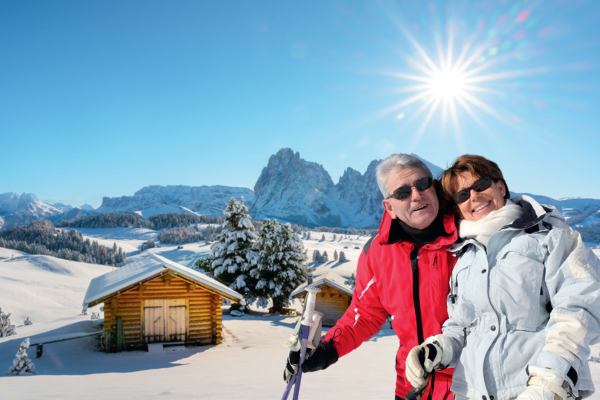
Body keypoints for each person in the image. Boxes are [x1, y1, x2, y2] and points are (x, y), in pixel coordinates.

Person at [405, 155, 600, 400]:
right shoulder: (465, 256)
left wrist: (550, 382)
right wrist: (438, 349)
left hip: (538, 391)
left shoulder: (552, 235)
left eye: (481, 184)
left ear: (501, 186)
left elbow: (581, 307)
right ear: (457, 208)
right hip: (472, 393)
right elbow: (463, 327)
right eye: (462, 195)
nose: (474, 196)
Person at [284, 153, 459, 400]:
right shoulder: (376, 252)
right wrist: (326, 349)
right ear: (389, 206)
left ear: (435, 187)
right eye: (402, 193)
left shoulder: (467, 238)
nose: (416, 196)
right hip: (412, 387)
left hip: (469, 387)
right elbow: (365, 313)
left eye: (422, 184)